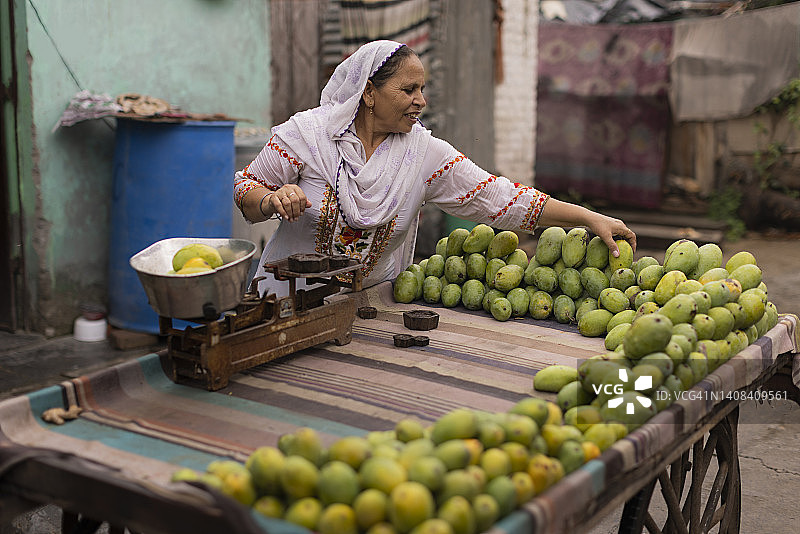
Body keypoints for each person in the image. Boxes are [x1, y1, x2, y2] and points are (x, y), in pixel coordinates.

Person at [234, 40, 636, 297]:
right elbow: (245, 191)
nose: (420, 101)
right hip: (280, 304)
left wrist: (588, 218)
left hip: (365, 308)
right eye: (408, 90)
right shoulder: (307, 135)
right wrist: (270, 198)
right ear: (368, 93)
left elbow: (500, 199)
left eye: (422, 89)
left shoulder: (424, 154)